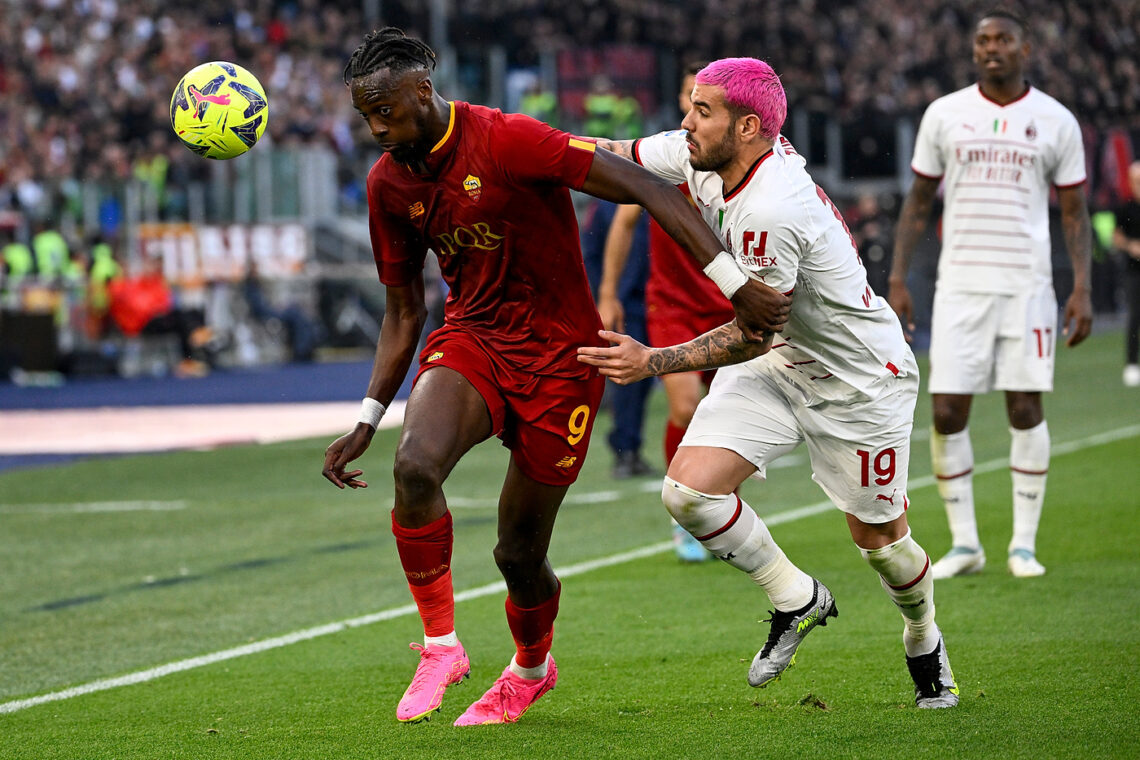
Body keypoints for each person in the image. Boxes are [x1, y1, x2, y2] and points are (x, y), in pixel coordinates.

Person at [322, 28, 790, 728]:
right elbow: (402, 310)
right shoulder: (389, 182)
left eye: (384, 110)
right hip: (474, 338)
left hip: (562, 362)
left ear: (423, 91)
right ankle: (441, 647)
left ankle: (531, 670)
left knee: (518, 551)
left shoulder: (508, 140)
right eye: (365, 115)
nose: (375, 127)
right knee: (415, 467)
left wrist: (734, 281)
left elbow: (641, 182)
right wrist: (365, 418)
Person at [580, 58, 958, 709]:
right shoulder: (712, 152)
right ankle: (796, 598)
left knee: (880, 545)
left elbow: (751, 331)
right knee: (688, 494)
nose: (687, 121)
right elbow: (614, 158)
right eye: (690, 106)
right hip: (783, 361)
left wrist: (653, 360)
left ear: (749, 126)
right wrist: (511, 142)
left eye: (703, 111)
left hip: (859, 384)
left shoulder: (771, 208)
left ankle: (924, 634)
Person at [888, 9, 1094, 580]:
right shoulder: (945, 114)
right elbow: (919, 200)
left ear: (1025, 47)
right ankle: (966, 545)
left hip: (1027, 285)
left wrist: (1082, 288)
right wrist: (899, 278)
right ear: (973, 49)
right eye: (983, 41)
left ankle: (1023, 546)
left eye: (1003, 39)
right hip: (959, 285)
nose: (991, 48)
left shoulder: (1055, 120)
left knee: (1025, 405)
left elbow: (1075, 212)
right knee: (947, 411)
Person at [597, 61, 734, 562]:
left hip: (725, 302)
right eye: (688, 94)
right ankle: (686, 517)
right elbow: (624, 225)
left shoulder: (732, 156)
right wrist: (609, 291)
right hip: (671, 301)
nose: (693, 102)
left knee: (726, 416)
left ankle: (714, 502)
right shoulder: (664, 155)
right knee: (683, 407)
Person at [581, 197, 658, 479]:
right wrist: (604, 298)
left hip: (659, 300)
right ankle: (625, 453)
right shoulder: (603, 205)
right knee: (627, 382)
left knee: (649, 381)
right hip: (625, 305)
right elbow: (590, 254)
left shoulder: (651, 194)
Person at [1113, 161, 1140, 387]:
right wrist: (1131, 246)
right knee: (1134, 317)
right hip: (1134, 272)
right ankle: (1132, 364)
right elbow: (1117, 237)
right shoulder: (1126, 208)